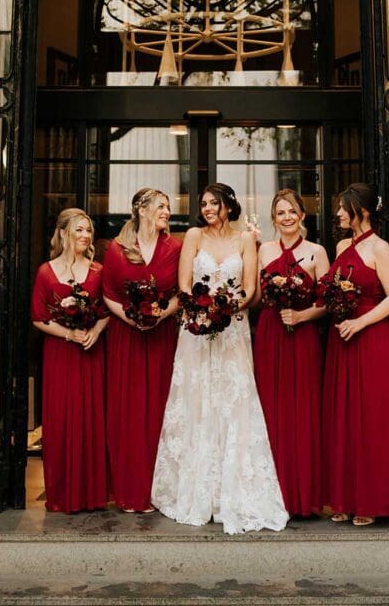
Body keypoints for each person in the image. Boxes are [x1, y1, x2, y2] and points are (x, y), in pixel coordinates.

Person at [152, 182, 288, 534]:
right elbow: (184, 284)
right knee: (196, 400)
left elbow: (250, 289)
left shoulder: (244, 239)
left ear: (229, 205)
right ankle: (196, 491)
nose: (208, 208)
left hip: (232, 330)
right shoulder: (194, 235)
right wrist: (200, 310)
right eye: (203, 203)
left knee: (233, 401)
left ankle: (234, 492)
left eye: (214, 203)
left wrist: (226, 309)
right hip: (195, 330)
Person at [322, 182, 389, 525]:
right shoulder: (342, 245)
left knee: (369, 417)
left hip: (369, 339)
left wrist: (360, 323)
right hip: (341, 338)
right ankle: (343, 498)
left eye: (344, 207)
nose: (338, 213)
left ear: (363, 211)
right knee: (342, 417)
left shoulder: (381, 248)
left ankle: (369, 502)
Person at [102, 188, 180, 512]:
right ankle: (128, 491)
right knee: (128, 412)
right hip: (127, 338)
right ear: (141, 209)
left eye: (167, 207)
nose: (166, 211)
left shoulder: (174, 248)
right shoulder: (117, 250)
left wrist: (161, 314)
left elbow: (182, 292)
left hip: (162, 338)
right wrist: (132, 319)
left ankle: (159, 491)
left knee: (160, 411)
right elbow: (107, 293)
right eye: (160, 206)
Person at [253, 189, 329, 516]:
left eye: (292, 211)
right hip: (271, 335)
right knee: (270, 410)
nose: (287, 217)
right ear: (273, 219)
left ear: (302, 216)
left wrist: (301, 315)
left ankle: (304, 496)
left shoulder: (317, 252)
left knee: (303, 411)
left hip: (303, 337)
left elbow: (328, 302)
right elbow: (255, 296)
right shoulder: (264, 250)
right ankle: (272, 495)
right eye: (280, 213)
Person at [30, 208, 109, 513]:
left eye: (88, 230)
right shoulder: (45, 272)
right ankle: (63, 495)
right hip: (61, 355)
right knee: (62, 419)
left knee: (91, 419)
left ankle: (92, 495)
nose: (85, 235)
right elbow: (38, 317)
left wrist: (96, 331)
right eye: (79, 230)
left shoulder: (98, 271)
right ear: (62, 233)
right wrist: (68, 334)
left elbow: (107, 312)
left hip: (90, 352)